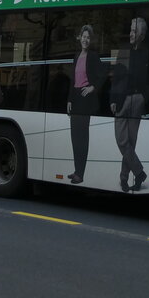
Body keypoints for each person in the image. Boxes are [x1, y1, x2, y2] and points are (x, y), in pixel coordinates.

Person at [110, 17, 149, 193]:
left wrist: (145, 98)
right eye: (131, 31)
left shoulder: (146, 52)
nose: (131, 34)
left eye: (134, 31)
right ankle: (139, 171)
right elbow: (116, 76)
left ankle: (124, 179)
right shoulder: (124, 50)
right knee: (122, 140)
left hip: (137, 99)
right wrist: (112, 98)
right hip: (123, 99)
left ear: (141, 34)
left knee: (131, 142)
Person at [67, 24, 107, 185]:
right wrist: (69, 100)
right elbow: (72, 80)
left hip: (85, 99)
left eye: (88, 37)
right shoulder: (76, 56)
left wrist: (93, 87)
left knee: (82, 138)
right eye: (83, 36)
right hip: (75, 98)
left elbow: (103, 73)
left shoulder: (93, 56)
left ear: (91, 40)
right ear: (79, 38)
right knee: (74, 138)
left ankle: (80, 174)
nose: (85, 39)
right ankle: (76, 170)